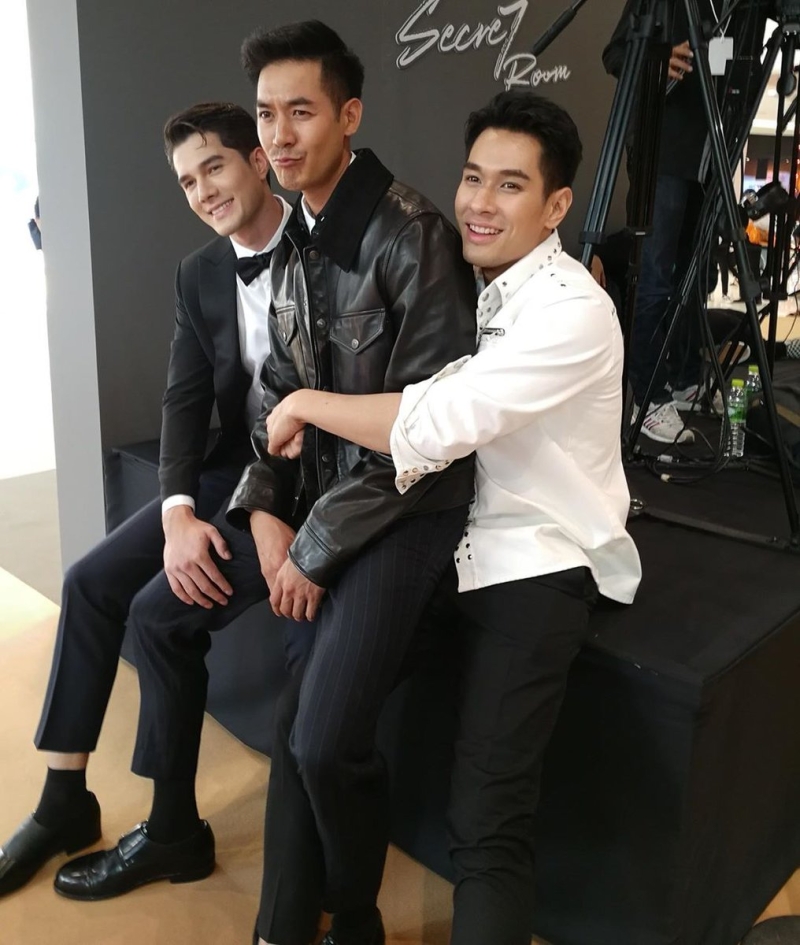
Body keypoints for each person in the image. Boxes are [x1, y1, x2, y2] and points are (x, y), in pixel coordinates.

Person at [265, 90, 643, 945]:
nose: (480, 202)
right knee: (309, 720)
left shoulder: (572, 310)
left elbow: (436, 421)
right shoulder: (475, 286)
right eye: (474, 177)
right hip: (444, 534)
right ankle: (302, 923)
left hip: (536, 559)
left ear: (556, 206)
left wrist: (306, 404)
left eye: (511, 185)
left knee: (485, 824)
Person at [0, 102, 314, 900]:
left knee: (158, 610)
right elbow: (183, 398)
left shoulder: (326, 248)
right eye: (186, 181)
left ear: (258, 160)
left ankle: (174, 829)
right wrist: (177, 510)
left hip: (309, 484)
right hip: (229, 468)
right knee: (87, 581)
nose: (203, 191)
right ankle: (64, 800)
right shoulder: (199, 271)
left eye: (214, 167)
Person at [225, 20, 478, 945]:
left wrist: (317, 548)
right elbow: (278, 396)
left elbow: (424, 434)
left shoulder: (413, 234)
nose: (279, 135)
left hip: (409, 511)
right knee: (299, 725)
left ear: (350, 115)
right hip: (330, 509)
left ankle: (356, 914)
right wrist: (262, 508)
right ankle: (287, 928)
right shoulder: (297, 234)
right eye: (267, 115)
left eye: (301, 111)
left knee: (323, 739)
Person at [604, 1, 719, 444]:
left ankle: (685, 378)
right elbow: (614, 54)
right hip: (662, 150)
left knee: (695, 276)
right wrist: (656, 58)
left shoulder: (740, 12)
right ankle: (649, 395)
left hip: (710, 155)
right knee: (655, 276)